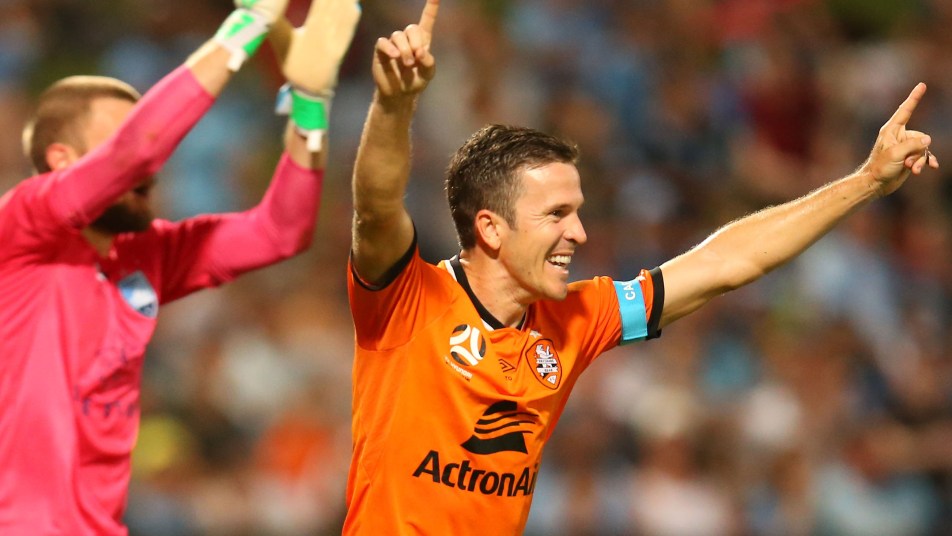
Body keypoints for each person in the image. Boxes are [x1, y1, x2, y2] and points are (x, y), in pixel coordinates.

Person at [343, 0, 939, 533]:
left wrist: (865, 182)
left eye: (578, 212)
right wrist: (395, 105)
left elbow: (726, 263)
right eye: (556, 215)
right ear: (491, 228)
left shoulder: (577, 318)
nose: (579, 233)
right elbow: (376, 207)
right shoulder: (408, 301)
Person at [0, 0, 359, 533]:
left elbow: (279, 232)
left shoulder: (148, 254)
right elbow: (137, 153)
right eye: (115, 136)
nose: (155, 165)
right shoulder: (23, 225)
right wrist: (248, 25)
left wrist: (309, 105)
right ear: (62, 162)